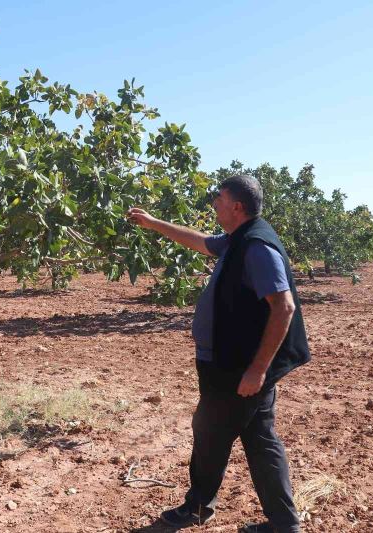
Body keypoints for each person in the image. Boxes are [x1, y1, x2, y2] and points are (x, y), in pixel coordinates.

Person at [127, 174, 310, 532]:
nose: (214, 203)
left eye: (220, 198)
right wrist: (152, 223)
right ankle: (284, 524)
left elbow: (283, 307)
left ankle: (198, 507)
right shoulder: (238, 240)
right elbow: (199, 242)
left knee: (210, 433)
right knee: (260, 440)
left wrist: (258, 370)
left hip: (236, 369)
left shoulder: (257, 247)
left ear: (237, 206)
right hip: (232, 364)